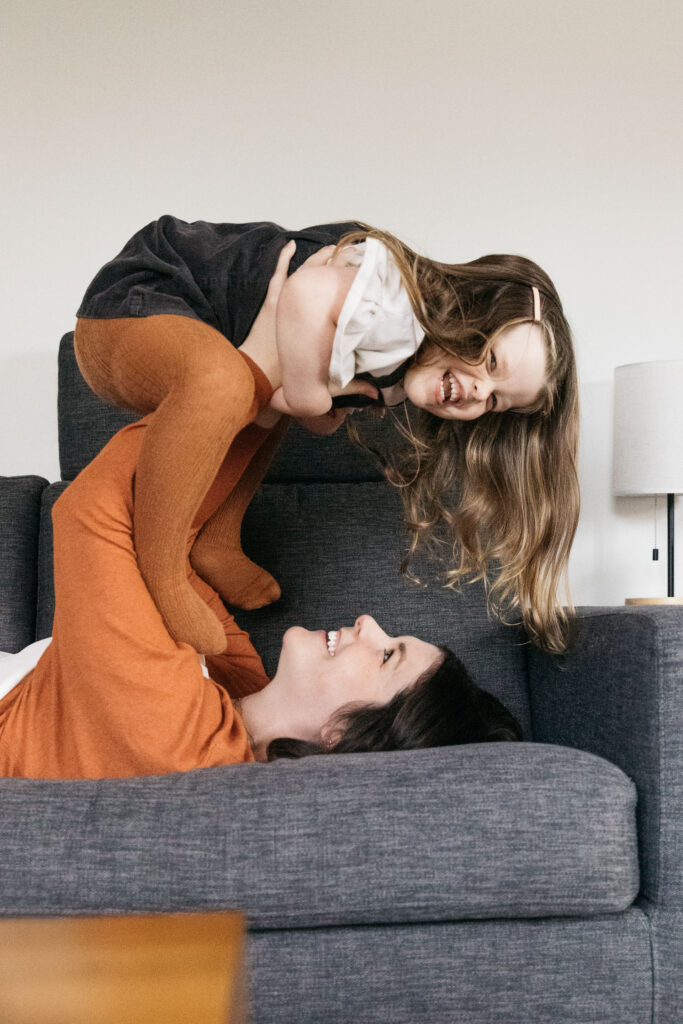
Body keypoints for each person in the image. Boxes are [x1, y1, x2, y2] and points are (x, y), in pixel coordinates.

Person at [73, 216, 578, 656]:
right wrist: (312, 396)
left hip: (195, 338)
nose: (476, 390)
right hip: (139, 301)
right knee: (229, 383)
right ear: (471, 308)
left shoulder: (398, 378)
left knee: (266, 398)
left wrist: (319, 406)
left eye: (494, 400)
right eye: (490, 361)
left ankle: (217, 539)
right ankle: (160, 571)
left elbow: (310, 408)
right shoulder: (398, 304)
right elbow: (305, 293)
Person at [0, 418, 521, 779]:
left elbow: (90, 509)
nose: (369, 621)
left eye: (387, 655)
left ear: (349, 735)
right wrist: (268, 411)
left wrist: (244, 379)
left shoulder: (177, 733)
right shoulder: (240, 696)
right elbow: (172, 552)